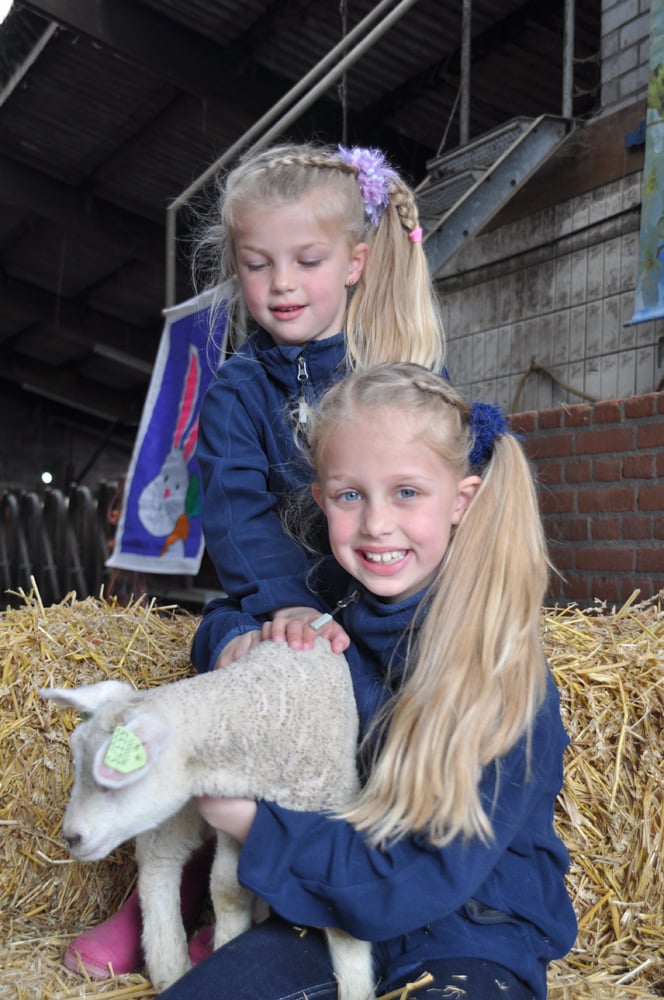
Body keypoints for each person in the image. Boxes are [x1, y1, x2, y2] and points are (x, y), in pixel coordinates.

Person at [63, 142, 446, 979]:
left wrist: (353, 614)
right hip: (270, 601)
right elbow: (233, 512)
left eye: (307, 260)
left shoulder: (400, 374)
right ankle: (174, 884)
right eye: (257, 264)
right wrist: (281, 609)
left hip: (375, 609)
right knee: (225, 661)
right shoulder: (236, 387)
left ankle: (279, 898)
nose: (280, 284)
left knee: (374, 698)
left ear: (354, 262)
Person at [157, 362, 577, 1000]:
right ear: (321, 498)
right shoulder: (330, 593)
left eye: (406, 492)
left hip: (470, 929)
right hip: (330, 911)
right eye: (350, 496)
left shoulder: (498, 670)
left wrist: (253, 825)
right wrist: (245, 637)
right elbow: (223, 613)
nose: (376, 523)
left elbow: (416, 878)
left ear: (461, 501)